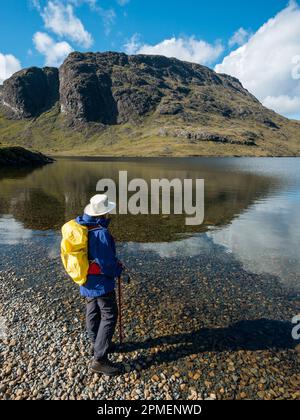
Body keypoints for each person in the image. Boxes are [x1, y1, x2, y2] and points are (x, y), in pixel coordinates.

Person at [76, 194, 124, 376]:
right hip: (101, 283)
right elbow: (107, 264)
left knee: (92, 310)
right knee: (110, 315)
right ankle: (100, 359)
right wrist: (118, 270)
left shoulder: (82, 226)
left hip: (86, 279)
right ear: (103, 213)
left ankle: (96, 344)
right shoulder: (101, 232)